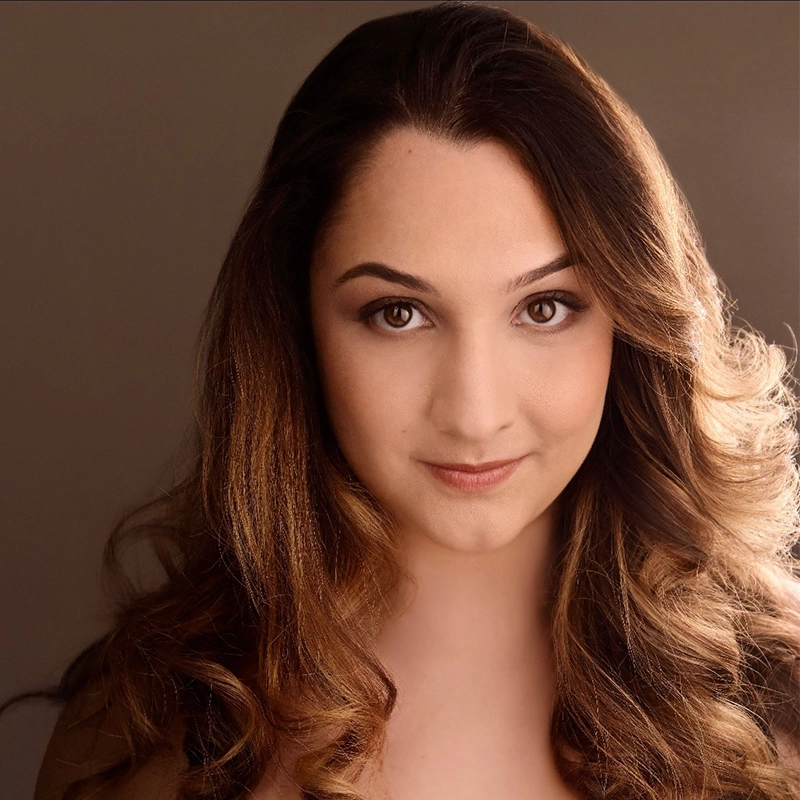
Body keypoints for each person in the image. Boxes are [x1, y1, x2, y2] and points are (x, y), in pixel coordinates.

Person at [26, 2, 800, 798]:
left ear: (631, 324)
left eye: (544, 308)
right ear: (295, 324)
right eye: (398, 314)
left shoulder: (784, 697)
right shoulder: (144, 733)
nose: (475, 413)